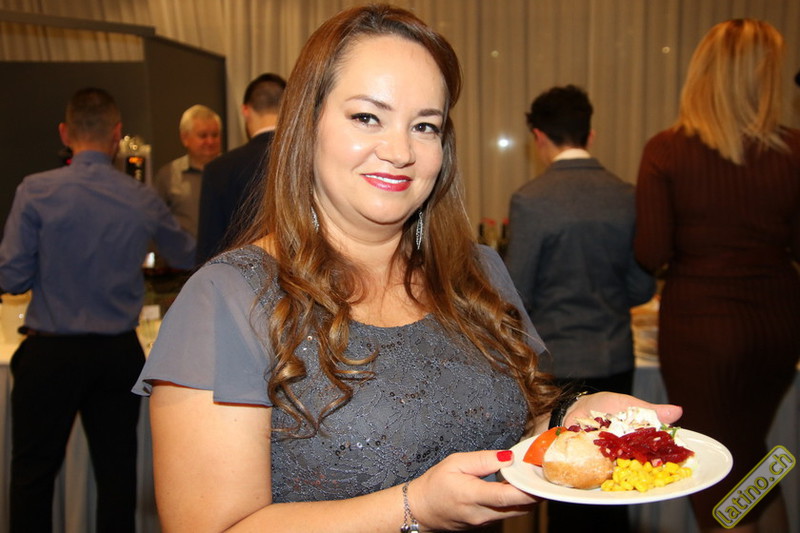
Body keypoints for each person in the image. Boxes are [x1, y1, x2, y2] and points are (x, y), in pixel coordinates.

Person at [133, 5, 683, 531]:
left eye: (425, 126)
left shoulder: (476, 273)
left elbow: (511, 426)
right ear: (306, 124)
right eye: (366, 117)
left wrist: (577, 416)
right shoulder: (228, 299)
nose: (400, 151)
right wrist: (411, 508)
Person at [0, 87, 196, 532]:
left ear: (65, 133)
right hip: (115, 354)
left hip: (50, 353)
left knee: (32, 476)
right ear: (116, 135)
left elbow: (11, 279)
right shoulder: (140, 197)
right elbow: (186, 253)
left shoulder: (35, 191)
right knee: (116, 479)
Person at [634, 19, 799, 533]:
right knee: (750, 448)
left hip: (701, 329)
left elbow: (651, 252)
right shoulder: (794, 151)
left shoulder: (667, 150)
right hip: (778, 322)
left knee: (715, 465)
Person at [504, 85, 655, 533]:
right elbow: (642, 285)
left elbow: (516, 294)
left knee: (565, 482)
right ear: (590, 134)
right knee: (618, 471)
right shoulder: (626, 194)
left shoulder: (532, 199)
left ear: (538, 136)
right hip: (615, 356)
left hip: (559, 363)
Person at [196, 73, 287, 264]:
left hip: (237, 279)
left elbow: (208, 252)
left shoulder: (218, 169)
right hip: (302, 278)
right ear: (289, 108)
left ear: (245, 111)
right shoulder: (311, 162)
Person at [153, 103, 222, 239]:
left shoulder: (233, 171)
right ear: (185, 138)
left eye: (215, 135)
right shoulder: (168, 175)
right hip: (182, 251)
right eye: (203, 136)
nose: (210, 142)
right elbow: (156, 221)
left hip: (227, 251)